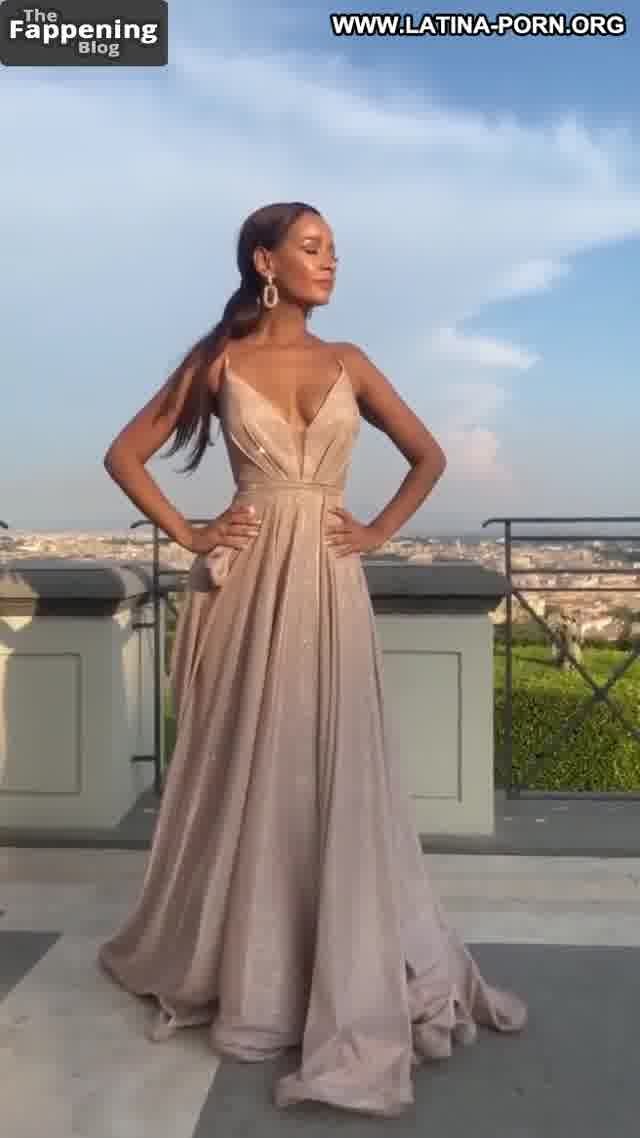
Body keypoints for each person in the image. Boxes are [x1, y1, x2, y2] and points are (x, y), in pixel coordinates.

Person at [97, 201, 527, 1118]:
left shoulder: (350, 362)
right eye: (311, 247)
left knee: (330, 764)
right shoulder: (218, 361)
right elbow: (124, 454)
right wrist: (191, 532)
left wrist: (374, 532)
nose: (330, 262)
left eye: (333, 250)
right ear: (266, 261)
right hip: (246, 584)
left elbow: (427, 455)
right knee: (246, 764)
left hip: (329, 583)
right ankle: (251, 968)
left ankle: (323, 959)